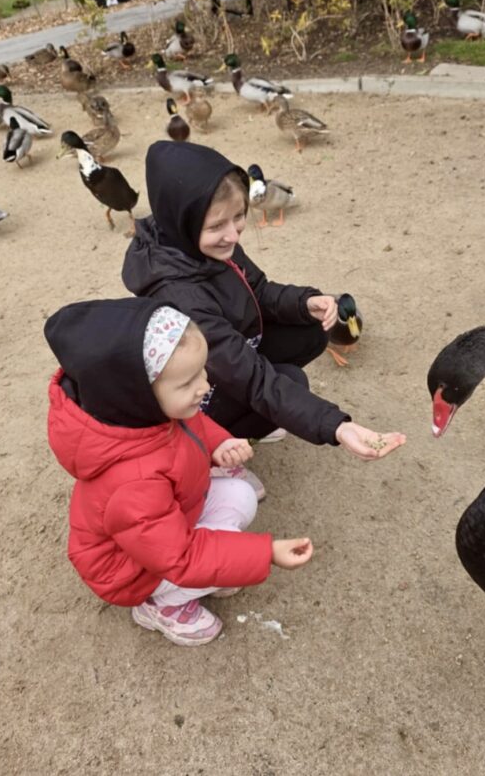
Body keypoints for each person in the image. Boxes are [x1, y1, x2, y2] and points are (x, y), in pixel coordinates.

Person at [44, 296, 313, 646]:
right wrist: (266, 554)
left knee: (240, 495)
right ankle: (158, 606)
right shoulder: (132, 484)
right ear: (136, 394)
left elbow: (194, 425)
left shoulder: (148, 416)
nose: (204, 385)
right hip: (130, 571)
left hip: (163, 531)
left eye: (201, 371)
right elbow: (180, 557)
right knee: (210, 559)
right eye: (187, 383)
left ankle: (203, 576)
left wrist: (218, 444)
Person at [122, 141, 406, 462]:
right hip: (201, 394)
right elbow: (249, 376)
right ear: (183, 221)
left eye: (239, 216)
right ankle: (216, 447)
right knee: (291, 381)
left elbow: (258, 288)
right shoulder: (181, 296)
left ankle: (258, 413)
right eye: (217, 226)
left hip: (228, 356)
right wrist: (336, 426)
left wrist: (304, 302)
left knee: (311, 327)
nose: (233, 234)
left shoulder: (201, 243)